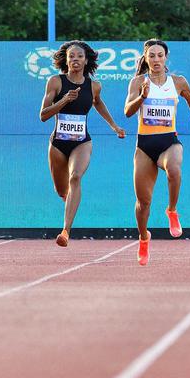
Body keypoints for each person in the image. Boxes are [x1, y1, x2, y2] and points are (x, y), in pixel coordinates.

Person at [124, 39, 190, 266]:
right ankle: (144, 238)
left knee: (174, 169)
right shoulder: (138, 82)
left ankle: (172, 210)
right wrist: (142, 97)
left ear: (166, 58)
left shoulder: (178, 82)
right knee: (143, 203)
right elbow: (127, 112)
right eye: (151, 56)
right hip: (144, 145)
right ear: (146, 58)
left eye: (159, 55)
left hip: (169, 141)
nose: (156, 60)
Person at [39, 41, 125, 247]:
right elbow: (43, 115)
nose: (75, 59)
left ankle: (65, 231)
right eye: (71, 56)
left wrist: (114, 126)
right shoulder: (55, 82)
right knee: (62, 191)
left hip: (82, 142)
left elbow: (98, 102)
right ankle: (69, 202)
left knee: (75, 177)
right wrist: (64, 101)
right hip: (58, 143)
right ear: (66, 60)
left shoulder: (94, 86)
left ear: (86, 60)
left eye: (79, 56)